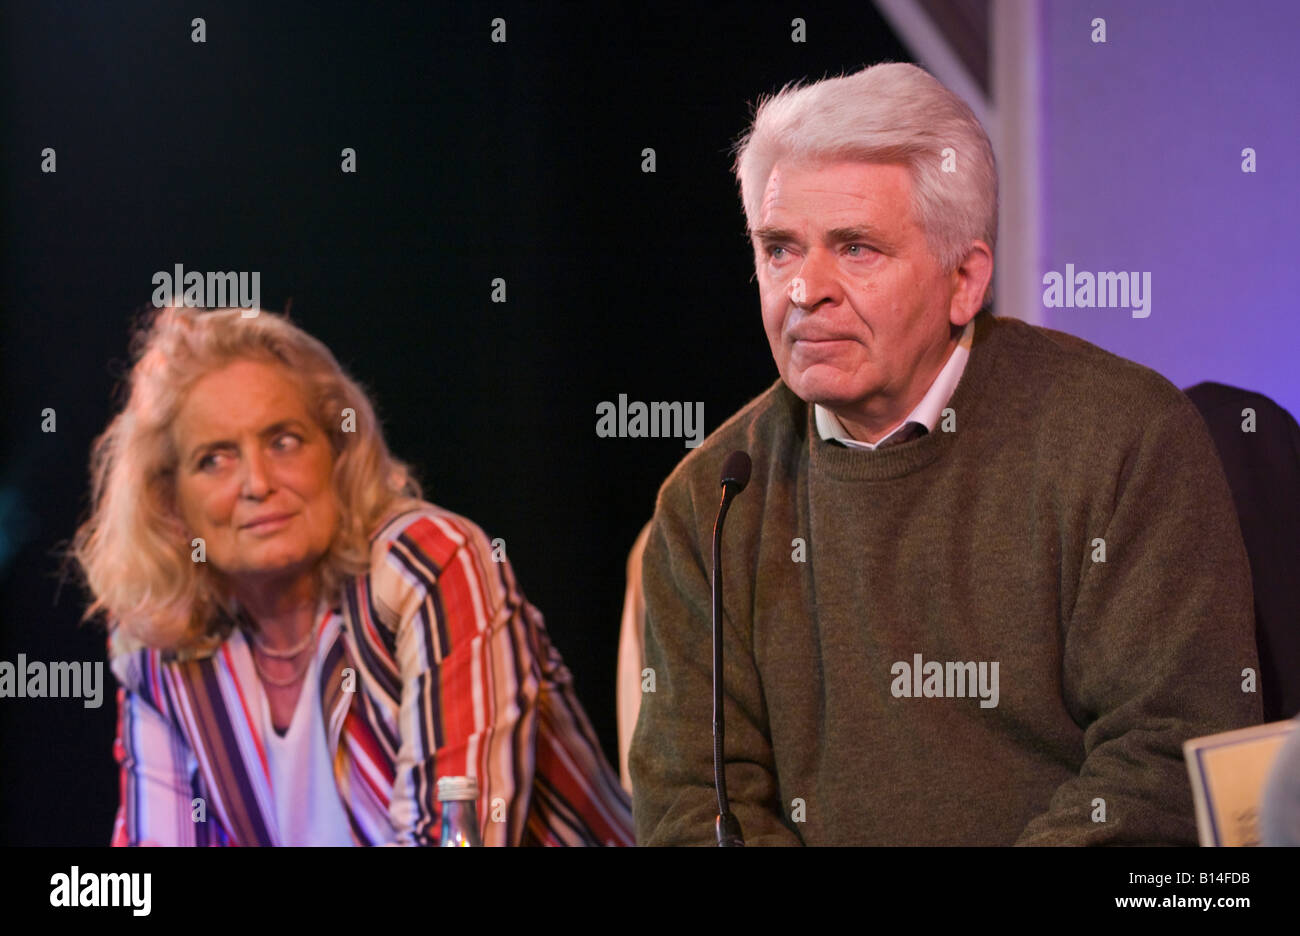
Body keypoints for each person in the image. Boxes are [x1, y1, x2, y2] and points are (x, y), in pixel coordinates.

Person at [629, 62, 1262, 845]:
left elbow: (1166, 759)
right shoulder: (714, 497)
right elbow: (694, 802)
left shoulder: (1121, 439)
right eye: (780, 249)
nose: (804, 290)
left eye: (855, 249)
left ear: (965, 279)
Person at [71, 305, 632, 846]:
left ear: (339, 453)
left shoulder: (429, 566)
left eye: (283, 441)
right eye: (215, 458)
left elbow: (456, 840)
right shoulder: (158, 644)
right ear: (170, 500)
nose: (257, 483)